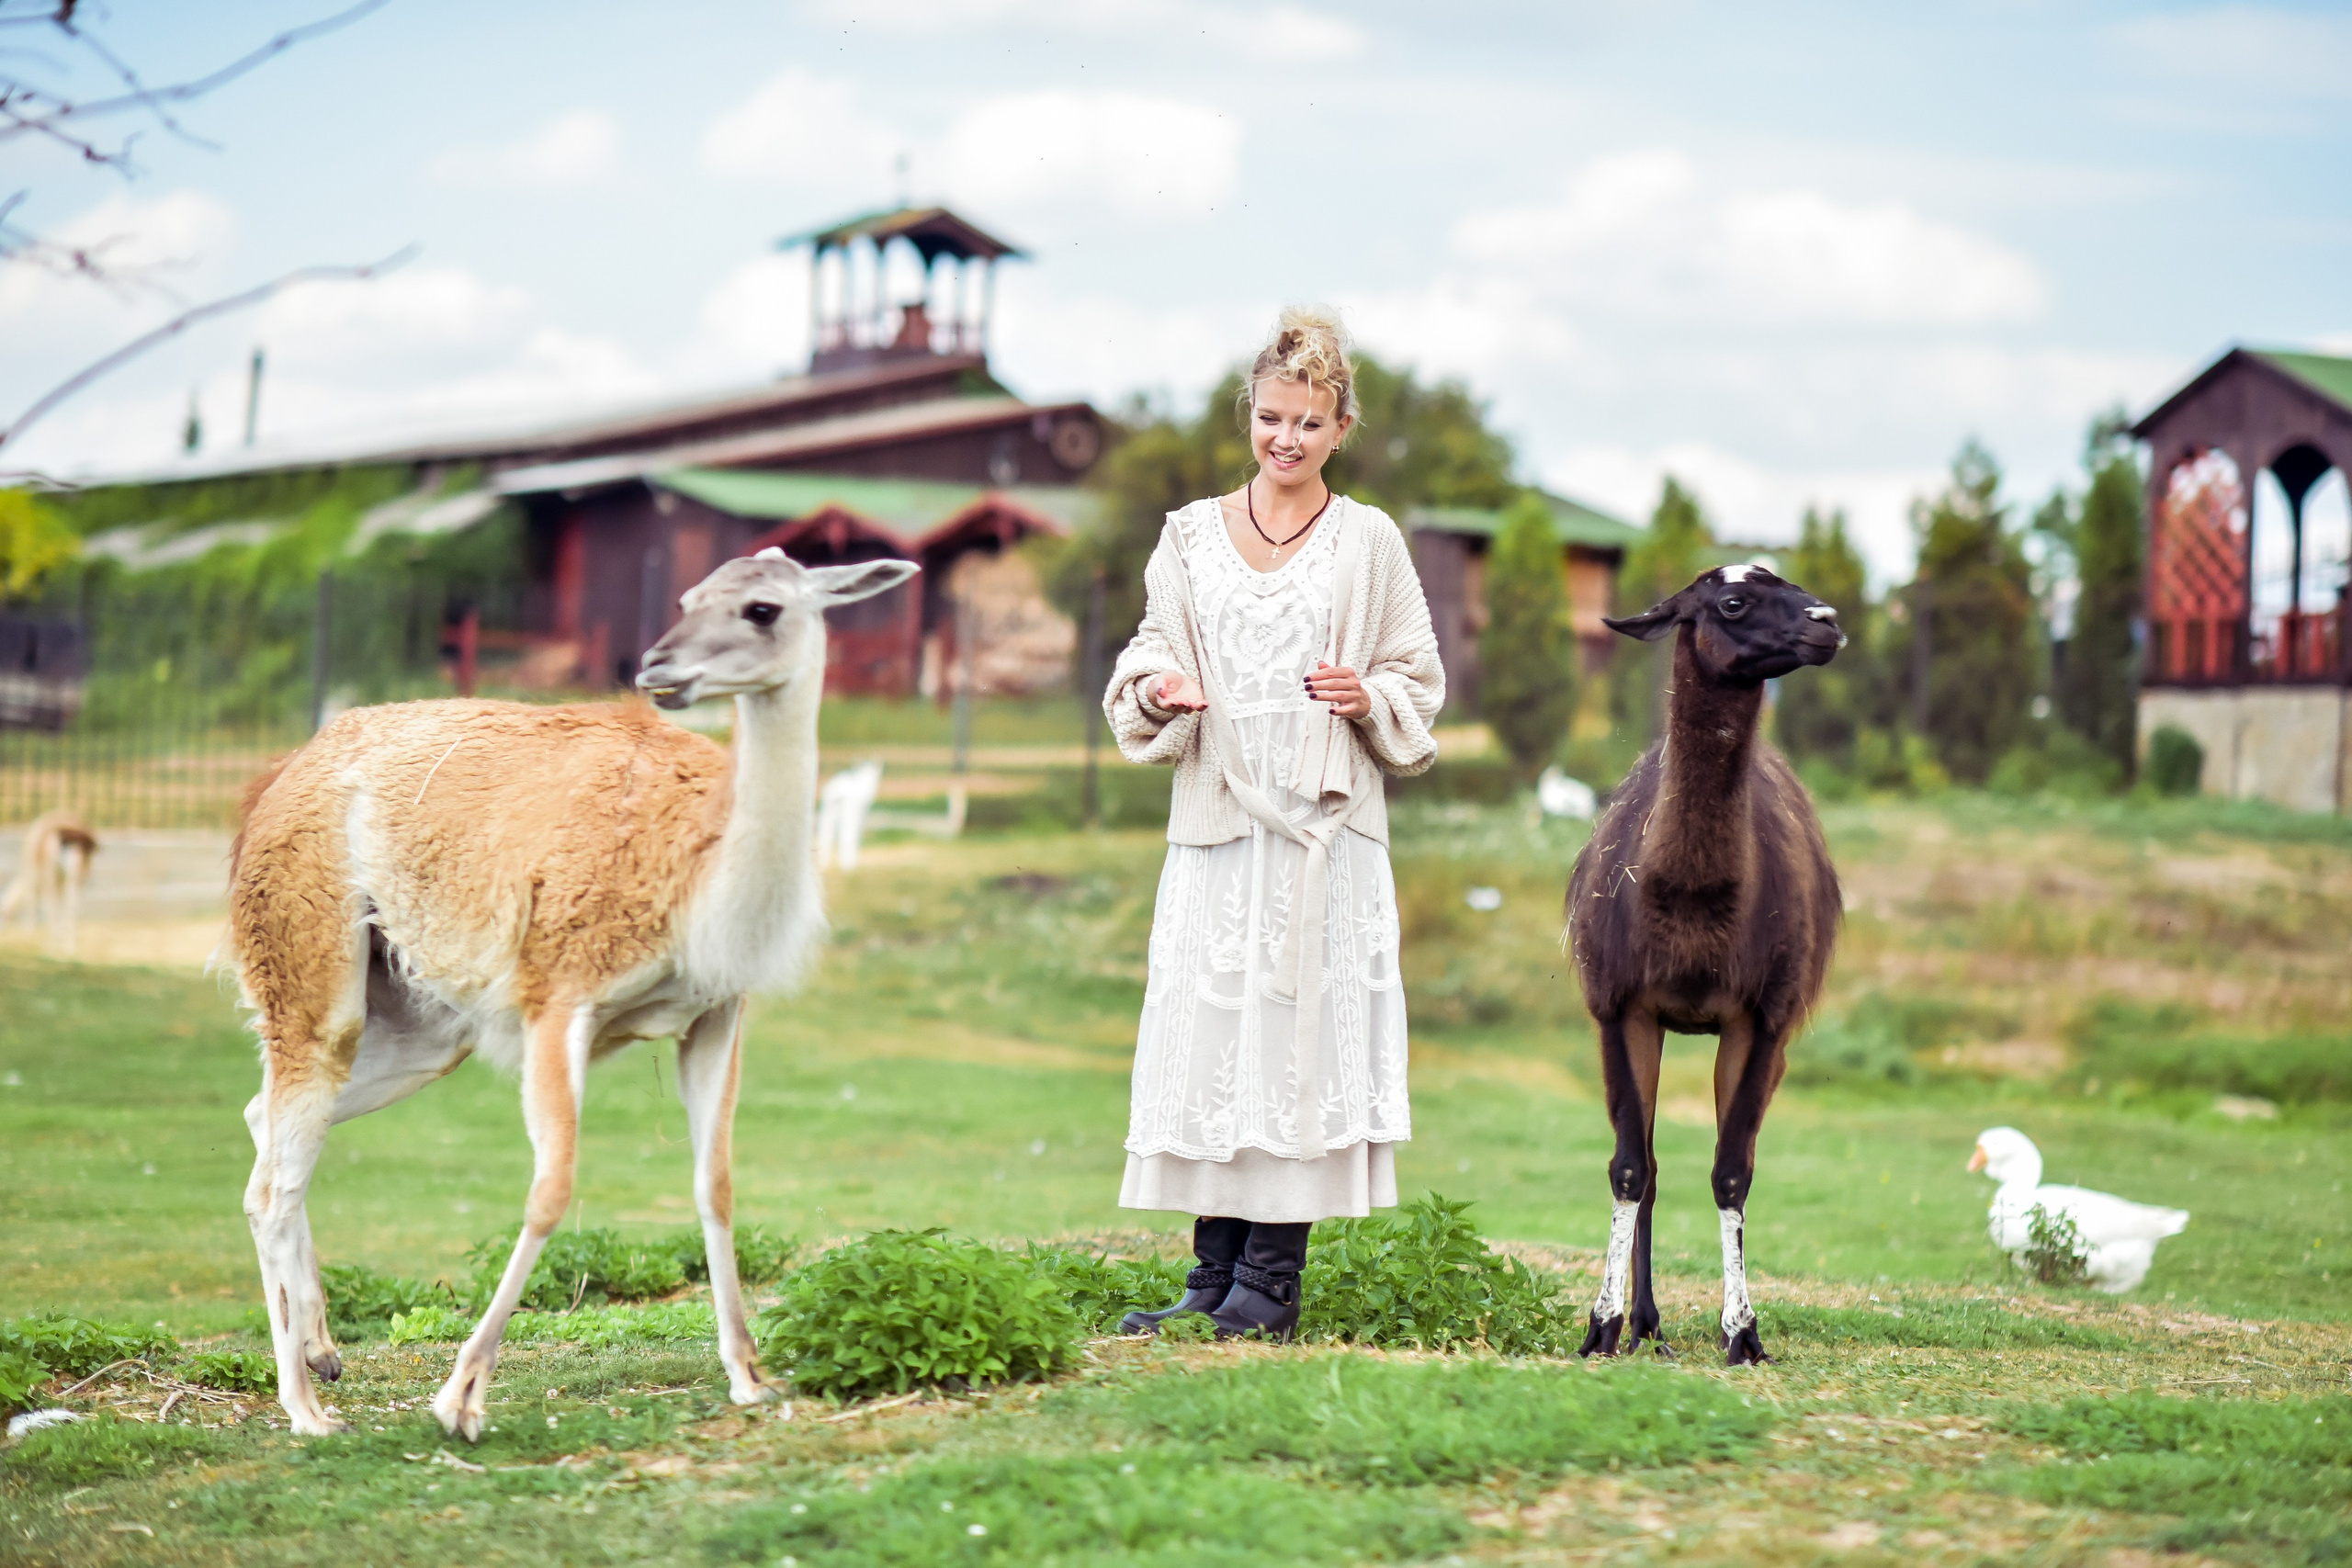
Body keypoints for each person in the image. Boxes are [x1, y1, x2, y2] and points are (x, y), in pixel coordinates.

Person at [1102, 307, 1444, 1339]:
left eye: (1307, 421)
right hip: (1216, 830)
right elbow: (1147, 648)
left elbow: (1417, 678)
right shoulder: (1188, 535)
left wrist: (1365, 695)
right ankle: (1210, 1284)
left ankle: (1271, 1285)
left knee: (1297, 1047)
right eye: (1268, 418)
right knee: (1213, 1044)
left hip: (1320, 840)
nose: (1284, 439)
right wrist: (1159, 687)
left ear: (1341, 426)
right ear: (1246, 415)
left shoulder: (1368, 540)